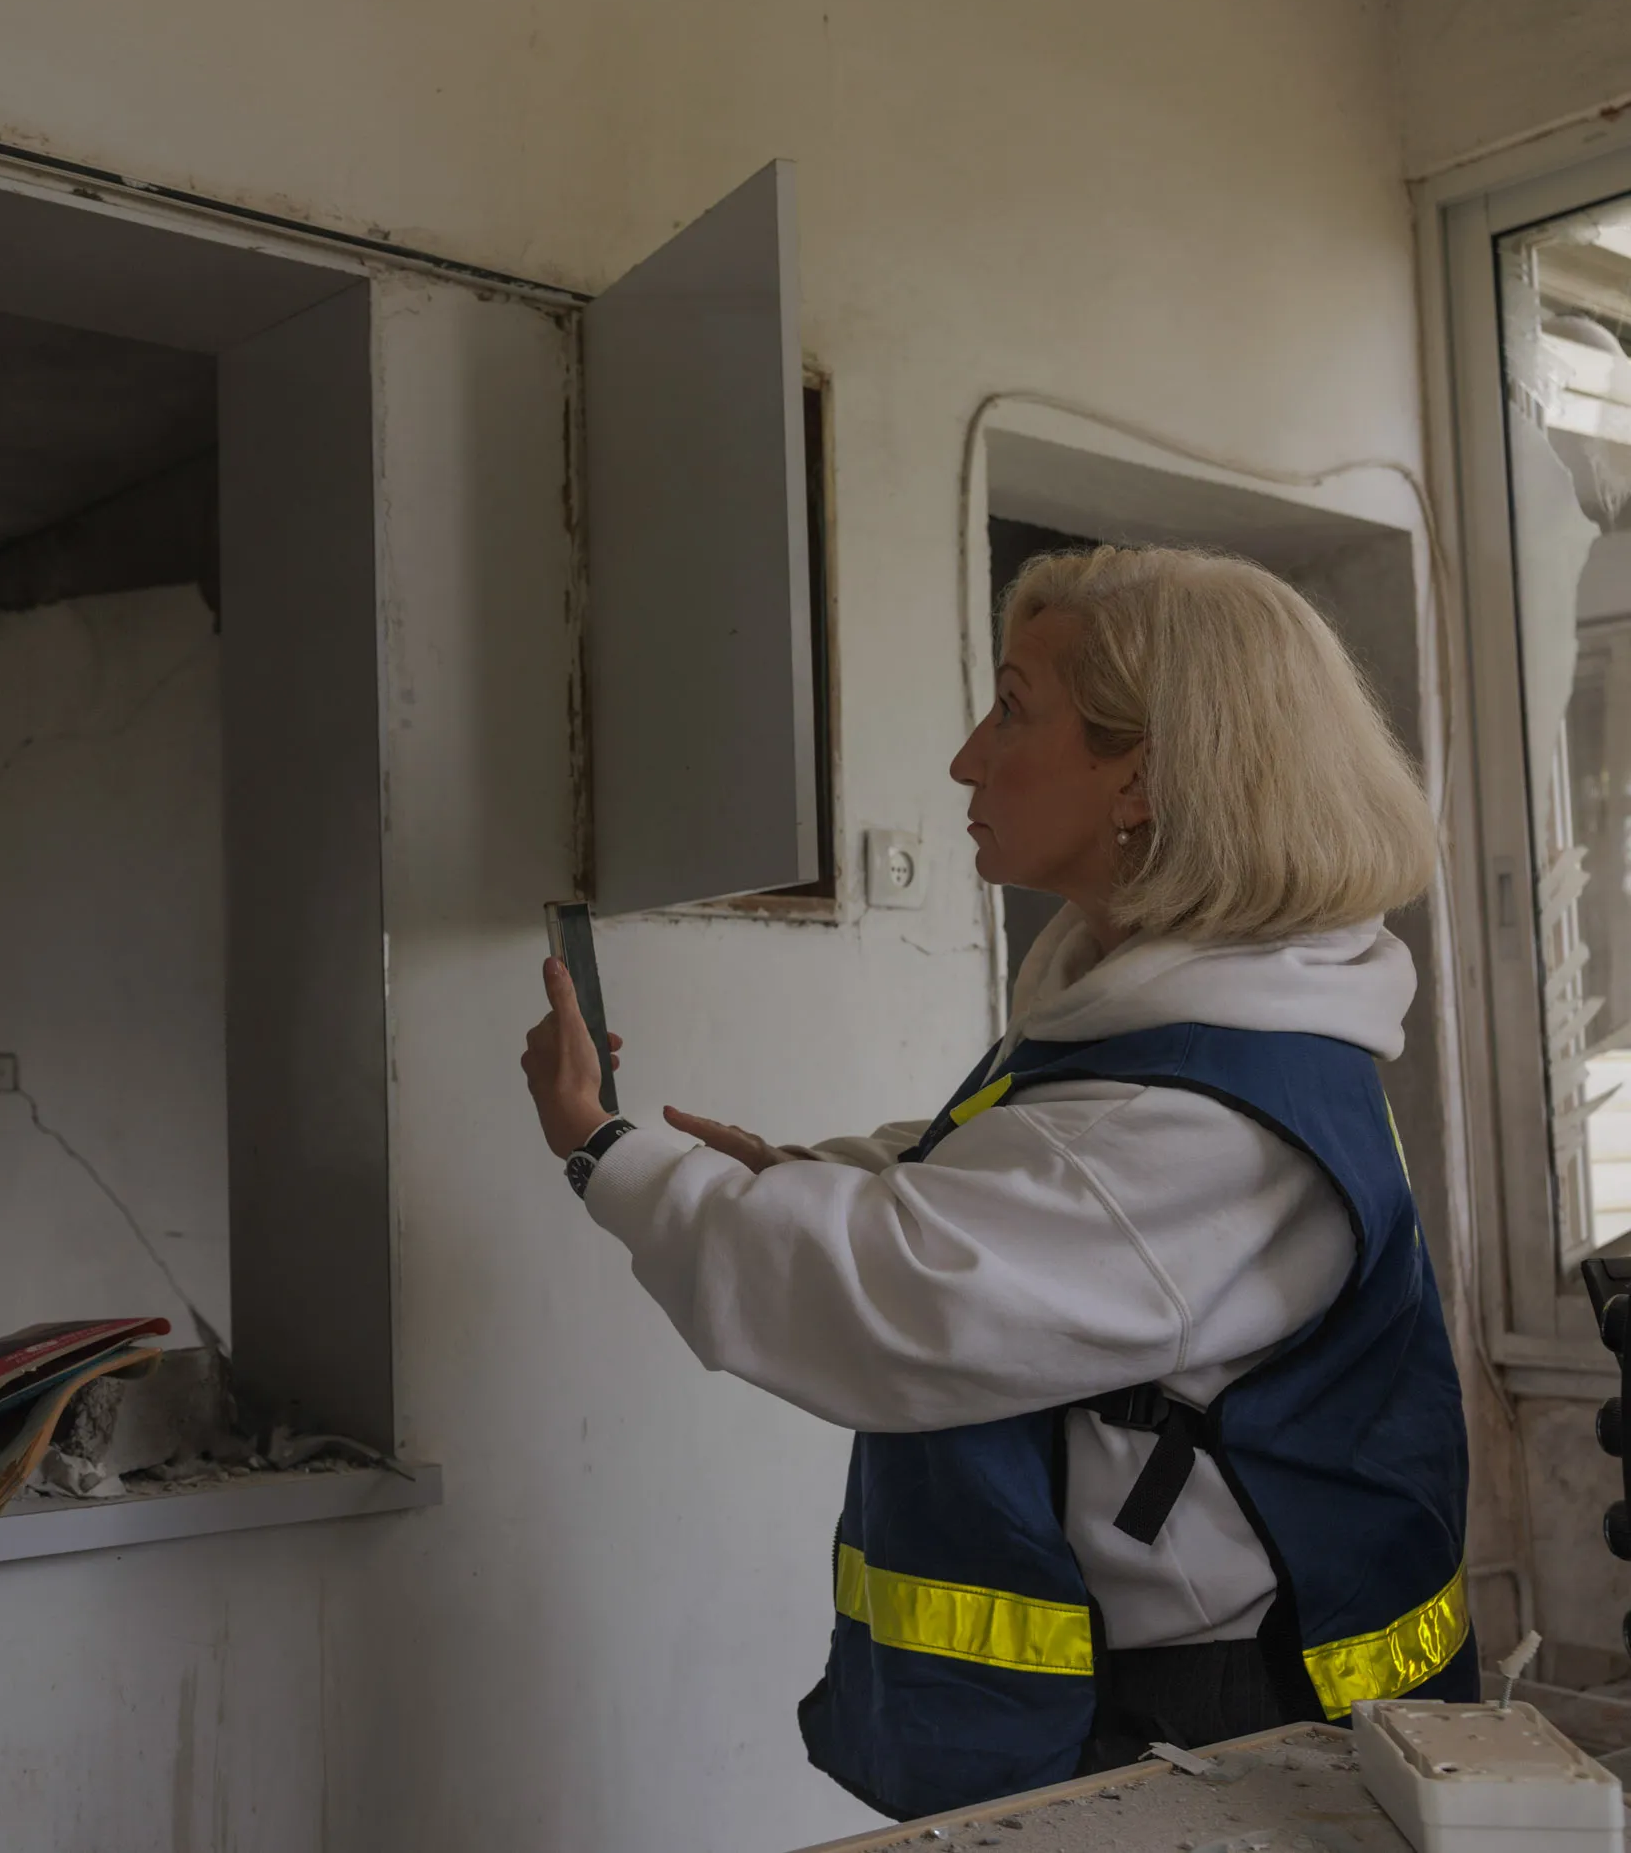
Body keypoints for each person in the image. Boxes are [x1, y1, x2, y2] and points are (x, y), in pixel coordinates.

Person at [522, 545, 1471, 1821]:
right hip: (1168, 1700)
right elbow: (1030, 1174)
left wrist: (598, 1148)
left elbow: (896, 1296)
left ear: (1139, 773)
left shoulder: (1199, 1113)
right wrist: (816, 1170)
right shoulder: (1189, 1029)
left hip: (1217, 1736)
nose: (969, 758)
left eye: (1013, 708)